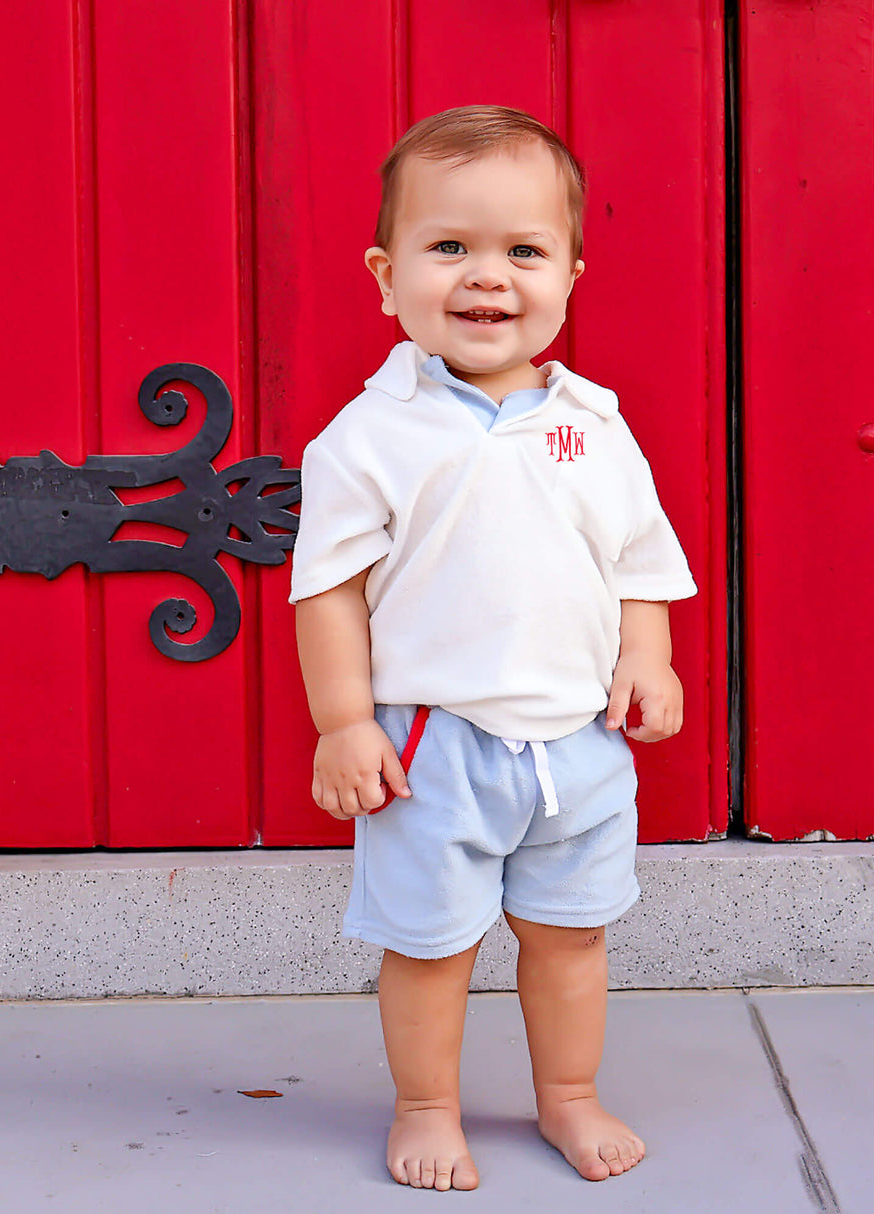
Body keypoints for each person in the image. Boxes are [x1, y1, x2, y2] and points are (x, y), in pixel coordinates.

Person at [290, 105, 696, 1191]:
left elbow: (636, 561)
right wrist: (342, 720)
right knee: (430, 946)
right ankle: (426, 1103)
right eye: (449, 247)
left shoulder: (593, 426)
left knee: (570, 939)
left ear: (568, 273)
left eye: (522, 250)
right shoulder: (368, 436)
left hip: (576, 745)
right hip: (432, 747)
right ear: (386, 276)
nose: (487, 277)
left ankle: (567, 1094)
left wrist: (643, 658)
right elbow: (324, 589)